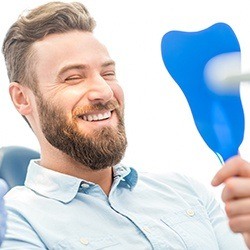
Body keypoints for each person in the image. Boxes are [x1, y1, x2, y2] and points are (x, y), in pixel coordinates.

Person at [1, 1, 250, 249]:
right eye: (73, 78)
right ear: (22, 98)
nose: (104, 90)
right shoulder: (16, 222)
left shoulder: (187, 191)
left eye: (108, 73)